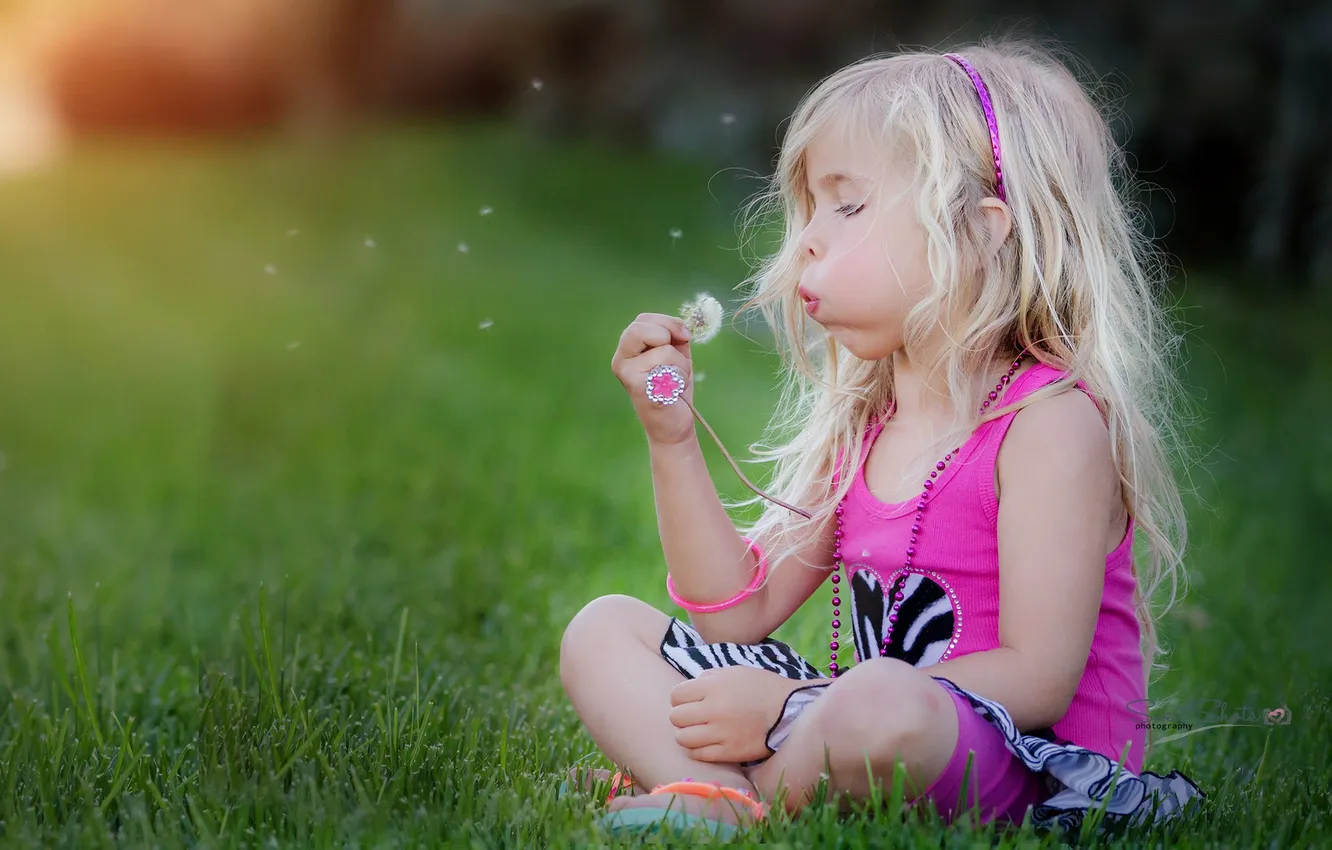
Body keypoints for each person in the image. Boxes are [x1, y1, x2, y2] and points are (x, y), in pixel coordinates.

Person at [560, 40, 1206, 838]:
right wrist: (672, 438)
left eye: (848, 206)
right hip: (852, 723)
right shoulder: (868, 423)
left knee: (879, 696)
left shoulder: (1049, 423)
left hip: (1034, 766)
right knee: (603, 630)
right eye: (809, 212)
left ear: (978, 232)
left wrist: (796, 707)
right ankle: (726, 796)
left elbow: (1037, 678)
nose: (809, 241)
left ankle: (728, 794)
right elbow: (739, 610)